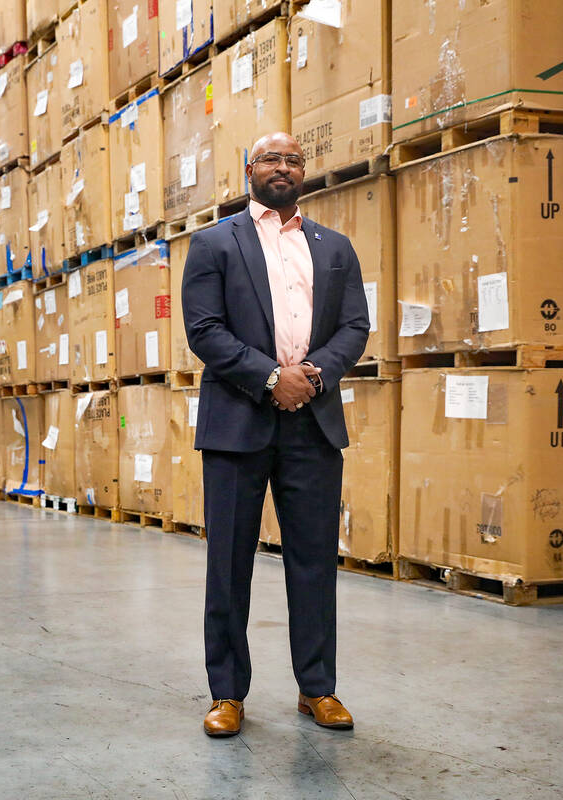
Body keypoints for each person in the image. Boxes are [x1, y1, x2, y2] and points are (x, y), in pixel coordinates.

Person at [181, 132, 370, 737]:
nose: (282, 168)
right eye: (270, 159)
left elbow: (355, 326)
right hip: (238, 422)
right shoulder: (215, 242)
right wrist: (270, 379)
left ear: (304, 170)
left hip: (312, 424)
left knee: (314, 560)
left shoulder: (334, 247)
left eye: (292, 159)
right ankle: (227, 693)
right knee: (229, 561)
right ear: (249, 169)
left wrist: (311, 376)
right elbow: (204, 330)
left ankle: (317, 688)